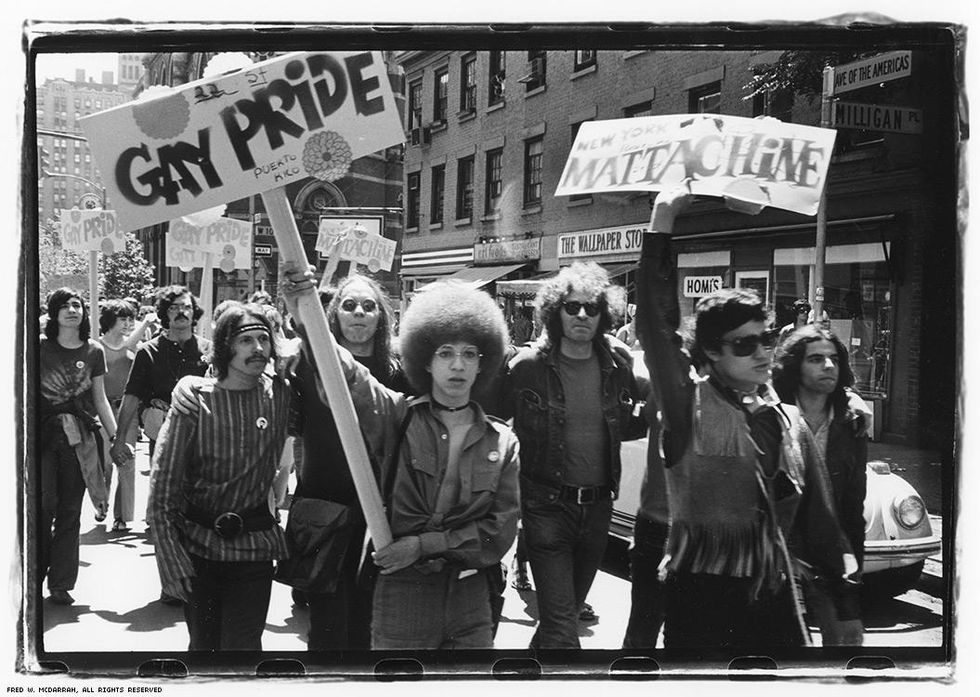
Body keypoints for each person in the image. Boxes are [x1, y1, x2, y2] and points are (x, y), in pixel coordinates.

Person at [635, 184, 855, 648]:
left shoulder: (786, 418)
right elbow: (656, 324)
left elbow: (821, 523)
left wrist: (841, 604)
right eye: (743, 344)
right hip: (699, 600)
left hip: (775, 596)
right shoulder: (686, 406)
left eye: (767, 338)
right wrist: (663, 218)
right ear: (712, 352)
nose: (761, 352)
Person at [282, 270, 520, 649]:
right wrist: (308, 319)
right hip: (405, 590)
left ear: (483, 363)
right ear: (426, 361)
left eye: (469, 354)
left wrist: (424, 545)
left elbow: (500, 531)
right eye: (445, 352)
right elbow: (347, 376)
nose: (457, 365)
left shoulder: (503, 442)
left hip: (471, 595)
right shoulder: (398, 416)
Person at [501, 261, 648, 649]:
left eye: (591, 307)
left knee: (558, 621)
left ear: (603, 314)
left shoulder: (619, 366)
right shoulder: (527, 367)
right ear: (555, 312)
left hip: (599, 508)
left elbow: (632, 420)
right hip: (545, 507)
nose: (582, 314)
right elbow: (493, 423)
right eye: (572, 306)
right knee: (563, 627)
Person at [147, 302, 289, 651]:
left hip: (254, 549)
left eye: (263, 339)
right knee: (204, 651)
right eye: (245, 341)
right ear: (225, 346)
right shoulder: (195, 398)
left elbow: (315, 363)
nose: (258, 348)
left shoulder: (282, 395)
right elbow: (163, 485)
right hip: (200, 549)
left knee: (243, 651)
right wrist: (169, 557)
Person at [287, 274, 409, 649]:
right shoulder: (305, 365)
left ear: (382, 317)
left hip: (380, 519)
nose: (359, 313)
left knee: (369, 628)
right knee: (326, 629)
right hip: (325, 515)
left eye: (369, 306)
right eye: (349, 305)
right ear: (334, 314)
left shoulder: (400, 372)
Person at [109, 285, 212, 606]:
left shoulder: (210, 350)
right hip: (164, 444)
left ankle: (201, 579)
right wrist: (118, 439)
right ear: (164, 313)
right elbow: (131, 396)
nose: (181, 312)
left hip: (207, 445)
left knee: (200, 513)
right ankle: (172, 582)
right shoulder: (148, 352)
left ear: (194, 312)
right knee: (166, 514)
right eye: (174, 307)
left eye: (186, 307)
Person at [773, 325, 867, 646]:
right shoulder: (772, 414)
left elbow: (854, 508)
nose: (828, 366)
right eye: (815, 359)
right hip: (782, 551)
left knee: (844, 643)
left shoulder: (851, 421)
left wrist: (852, 584)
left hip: (830, 549)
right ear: (794, 366)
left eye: (833, 359)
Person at [38, 288, 118, 605]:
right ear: (53, 313)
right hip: (42, 440)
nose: (73, 309)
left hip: (78, 442)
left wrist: (115, 439)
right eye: (65, 305)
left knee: (70, 513)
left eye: (78, 305)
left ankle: (60, 584)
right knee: (43, 509)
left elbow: (99, 399)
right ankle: (33, 574)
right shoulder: (39, 347)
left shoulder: (94, 350)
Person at [98, 299, 158, 532]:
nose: (127, 323)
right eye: (122, 318)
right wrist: (144, 323)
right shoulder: (97, 345)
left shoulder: (135, 346)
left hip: (127, 410)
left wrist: (144, 326)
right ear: (110, 321)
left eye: (129, 318)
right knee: (105, 464)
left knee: (127, 462)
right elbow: (120, 349)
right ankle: (101, 503)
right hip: (103, 412)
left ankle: (121, 516)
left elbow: (130, 347)